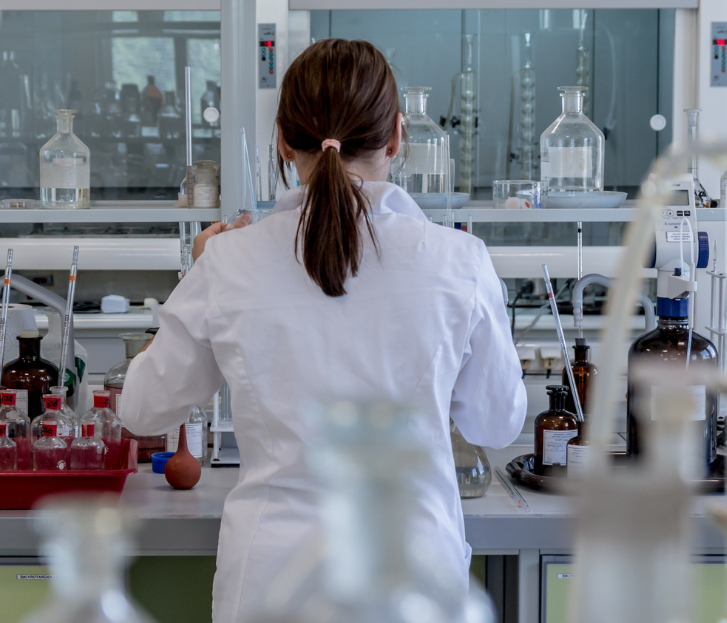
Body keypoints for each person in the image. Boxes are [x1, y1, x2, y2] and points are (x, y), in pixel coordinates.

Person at [118, 39, 526, 623]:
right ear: (396, 139)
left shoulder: (229, 261)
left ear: (284, 140)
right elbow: (498, 422)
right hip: (414, 582)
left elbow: (141, 411)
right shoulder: (459, 260)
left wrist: (198, 271)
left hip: (269, 580)